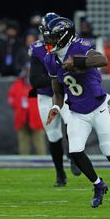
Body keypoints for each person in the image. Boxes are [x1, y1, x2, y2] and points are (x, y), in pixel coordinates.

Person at [43, 16, 110, 208]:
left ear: (64, 36)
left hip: (98, 106)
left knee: (109, 152)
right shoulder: (50, 59)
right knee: (75, 151)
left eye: (52, 38)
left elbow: (102, 59)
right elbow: (57, 90)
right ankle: (98, 185)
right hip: (76, 110)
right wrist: (56, 107)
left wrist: (76, 62)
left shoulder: (79, 46)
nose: (48, 42)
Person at [29, 12, 79, 187]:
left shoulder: (73, 46)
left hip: (66, 94)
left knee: (72, 125)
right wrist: (59, 77)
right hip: (46, 96)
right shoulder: (37, 49)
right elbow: (35, 81)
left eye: (53, 33)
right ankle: (60, 174)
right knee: (53, 135)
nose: (49, 37)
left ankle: (73, 156)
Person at [7, 63, 46, 155]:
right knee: (23, 142)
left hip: (36, 116)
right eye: (27, 70)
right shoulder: (17, 84)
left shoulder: (39, 83)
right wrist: (18, 104)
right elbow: (10, 98)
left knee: (39, 141)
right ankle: (24, 163)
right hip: (22, 116)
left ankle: (42, 163)